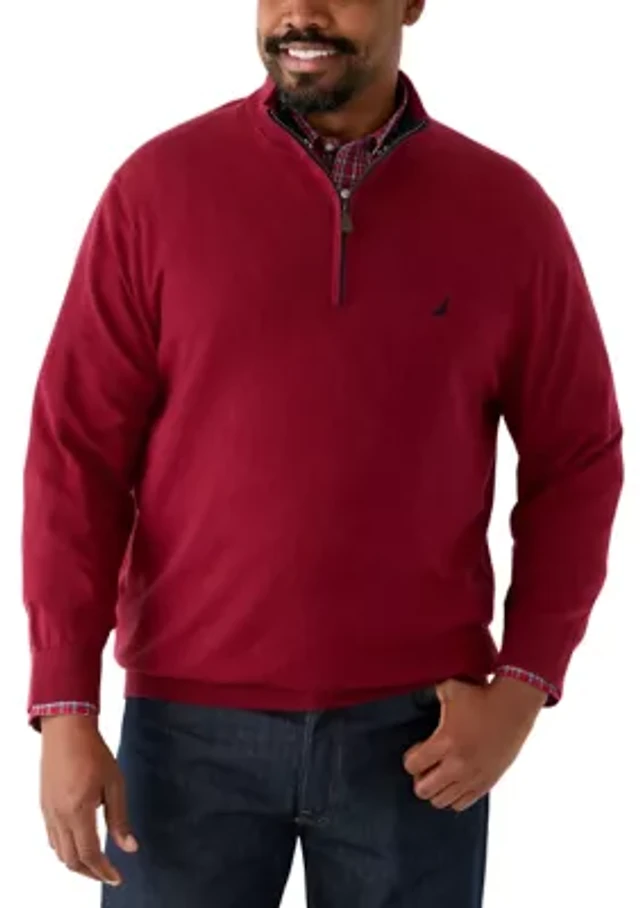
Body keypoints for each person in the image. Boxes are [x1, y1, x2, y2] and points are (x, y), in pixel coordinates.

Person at [23, 1, 623, 906]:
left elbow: (577, 458)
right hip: (184, 733)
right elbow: (76, 454)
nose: (300, 13)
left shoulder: (506, 211)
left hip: (420, 738)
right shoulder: (157, 191)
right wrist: (65, 702)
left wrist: (523, 687)